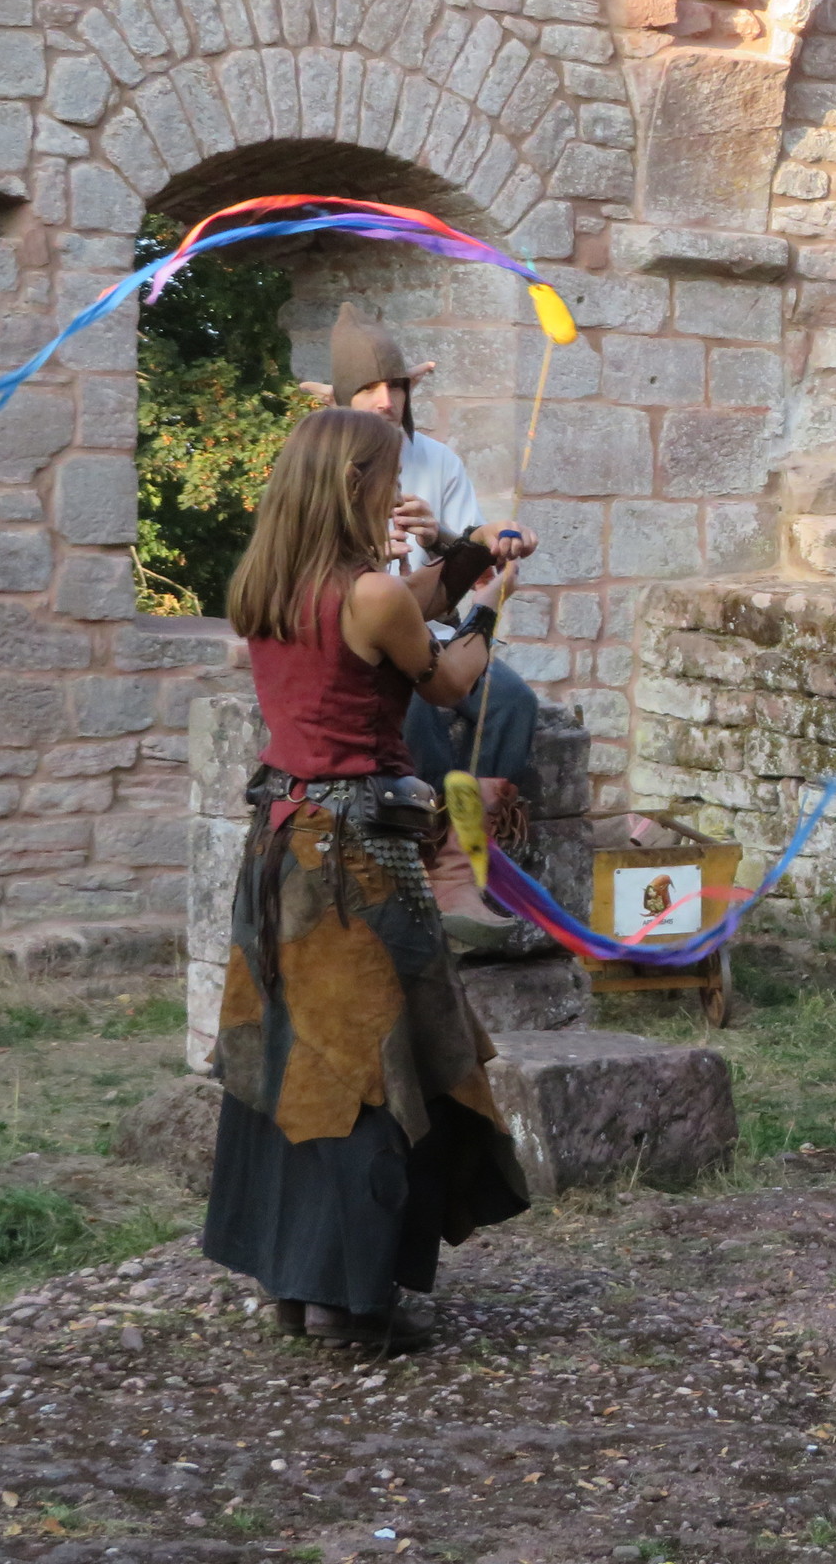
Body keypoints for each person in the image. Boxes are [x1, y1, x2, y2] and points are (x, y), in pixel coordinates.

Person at [204, 406, 530, 1351]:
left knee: (296, 1064)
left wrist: (472, 556)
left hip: (280, 848)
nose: (397, 491)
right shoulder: (369, 595)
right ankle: (349, 1307)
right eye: (387, 476)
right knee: (372, 1071)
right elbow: (451, 679)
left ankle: (298, 1285)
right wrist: (493, 603)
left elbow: (399, 601)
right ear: (353, 484)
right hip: (357, 861)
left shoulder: (265, 582)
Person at [307, 303, 541, 802]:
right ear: (341, 399)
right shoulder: (318, 468)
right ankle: (431, 828)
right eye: (368, 388)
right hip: (359, 643)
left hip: (432, 630)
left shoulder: (439, 461)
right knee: (413, 712)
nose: (385, 402)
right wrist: (366, 558)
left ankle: (482, 827)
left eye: (396, 386)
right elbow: (307, 573)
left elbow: (471, 571)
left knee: (513, 702)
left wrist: (439, 538)